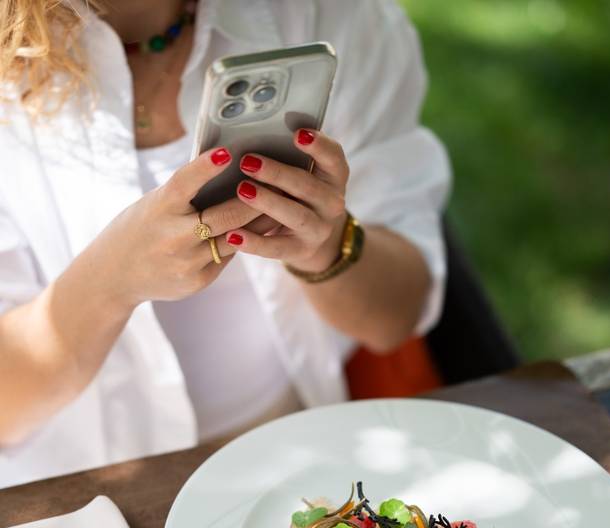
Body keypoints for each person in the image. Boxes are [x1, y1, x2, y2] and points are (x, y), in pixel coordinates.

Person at [0, 0, 451, 488]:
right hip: (82, 506)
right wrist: (110, 281)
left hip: (292, 463)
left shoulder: (331, 15)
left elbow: (394, 319)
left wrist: (326, 247)